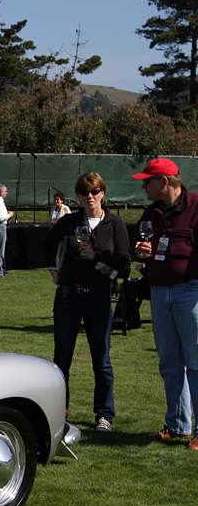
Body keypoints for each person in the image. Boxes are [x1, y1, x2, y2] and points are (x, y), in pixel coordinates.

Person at [42, 172, 130, 432]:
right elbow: (47, 242)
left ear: (103, 192)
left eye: (94, 192)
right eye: (84, 193)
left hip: (100, 297)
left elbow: (124, 263)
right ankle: (61, 413)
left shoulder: (115, 224)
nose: (89, 197)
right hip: (68, 298)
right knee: (62, 360)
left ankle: (104, 415)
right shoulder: (69, 221)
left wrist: (97, 257)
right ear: (78, 196)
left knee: (101, 360)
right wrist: (52, 267)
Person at [132, 158, 198, 450]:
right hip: (159, 291)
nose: (144, 185)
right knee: (170, 362)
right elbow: (146, 246)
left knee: (196, 363)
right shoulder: (152, 212)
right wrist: (142, 251)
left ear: (165, 182)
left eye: (148, 180)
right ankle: (178, 425)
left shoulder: (196, 205)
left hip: (190, 291)